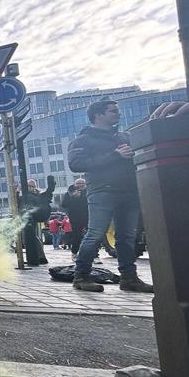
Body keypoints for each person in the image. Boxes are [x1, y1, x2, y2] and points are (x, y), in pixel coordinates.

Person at [67, 100, 153, 293]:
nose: (118, 114)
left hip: (129, 191)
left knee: (127, 236)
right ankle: (81, 276)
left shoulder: (124, 136)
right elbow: (76, 163)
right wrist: (115, 155)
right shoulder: (83, 140)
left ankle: (129, 278)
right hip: (102, 190)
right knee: (95, 233)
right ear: (98, 115)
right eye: (113, 111)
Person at [21, 176, 55, 265]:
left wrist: (51, 183)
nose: (30, 188)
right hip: (27, 218)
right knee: (30, 237)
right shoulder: (26, 196)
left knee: (30, 237)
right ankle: (39, 257)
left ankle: (38, 257)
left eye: (32, 186)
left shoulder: (37, 196)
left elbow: (49, 192)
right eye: (29, 186)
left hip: (32, 218)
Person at [60, 180, 88, 261]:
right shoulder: (69, 193)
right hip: (75, 218)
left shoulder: (88, 192)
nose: (80, 185)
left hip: (88, 216)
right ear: (75, 184)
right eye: (78, 184)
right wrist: (73, 197)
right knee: (77, 236)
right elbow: (64, 204)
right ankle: (74, 253)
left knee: (92, 235)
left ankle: (95, 255)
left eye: (82, 184)